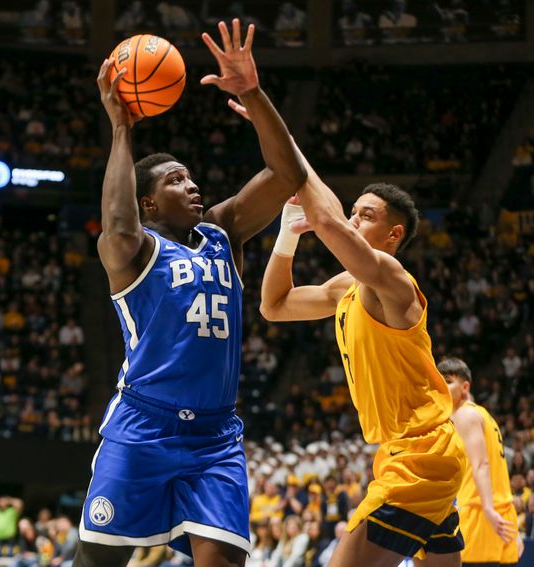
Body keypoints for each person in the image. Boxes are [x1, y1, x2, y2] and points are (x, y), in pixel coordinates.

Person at [75, 18, 306, 567]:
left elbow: (287, 172)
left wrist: (251, 90)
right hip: (142, 426)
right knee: (97, 561)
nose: (193, 185)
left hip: (215, 437)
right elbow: (118, 221)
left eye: (192, 177)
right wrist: (121, 130)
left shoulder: (222, 234)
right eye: (176, 180)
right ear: (149, 203)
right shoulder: (133, 252)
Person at [251, 98, 466, 563]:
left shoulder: (393, 281)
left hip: (420, 456)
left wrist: (277, 134)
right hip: (408, 451)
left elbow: (326, 220)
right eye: (354, 210)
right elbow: (274, 306)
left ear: (393, 235)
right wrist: (287, 238)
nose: (352, 219)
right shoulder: (345, 288)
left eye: (366, 215)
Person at [438, 357, 520, 566]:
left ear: (465, 387)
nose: (440, 386)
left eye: (447, 381)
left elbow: (481, 464)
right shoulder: (483, 415)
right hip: (503, 514)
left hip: (480, 514)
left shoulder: (464, 416)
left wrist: (488, 510)